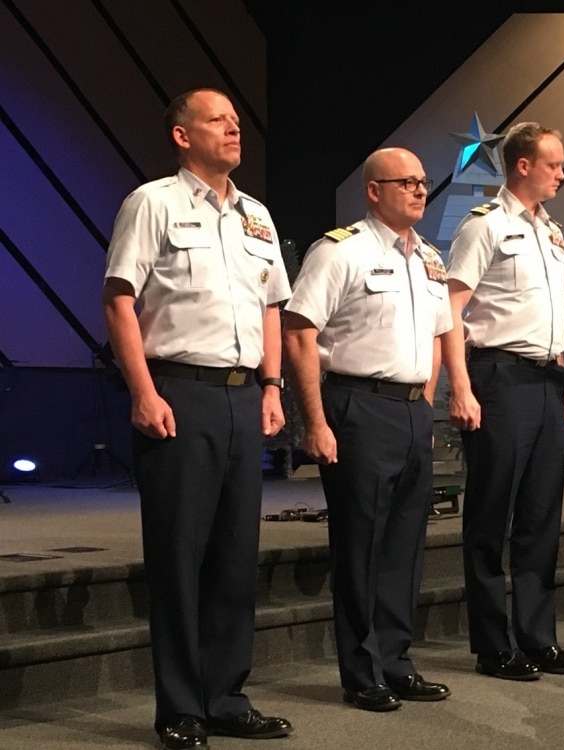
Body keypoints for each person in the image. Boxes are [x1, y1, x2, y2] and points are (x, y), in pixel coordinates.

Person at [102, 88, 293, 750]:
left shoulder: (257, 217)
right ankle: (181, 707)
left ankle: (226, 696)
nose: (234, 129)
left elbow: (272, 305)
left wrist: (272, 385)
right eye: (218, 120)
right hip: (180, 392)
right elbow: (120, 300)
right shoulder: (152, 202)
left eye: (238, 122)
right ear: (183, 136)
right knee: (180, 555)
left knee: (236, 555)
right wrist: (143, 391)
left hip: (245, 396)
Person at [282, 148, 453, 712]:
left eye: (424, 182)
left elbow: (436, 336)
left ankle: (397, 660)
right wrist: (316, 421)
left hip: (409, 410)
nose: (420, 190)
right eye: (406, 182)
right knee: (360, 545)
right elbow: (301, 333)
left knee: (405, 544)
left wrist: (425, 404)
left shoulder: (429, 258)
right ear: (373, 190)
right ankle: (362, 672)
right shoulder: (340, 251)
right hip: (357, 404)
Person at [442, 121, 564, 681]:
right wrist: (460, 385)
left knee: (540, 518)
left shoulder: (553, 233)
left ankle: (537, 635)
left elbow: (563, 317)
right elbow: (451, 311)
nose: (562, 173)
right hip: (498, 377)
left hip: (547, 383)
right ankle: (492, 644)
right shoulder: (485, 226)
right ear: (523, 165)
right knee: (490, 516)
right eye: (554, 163)